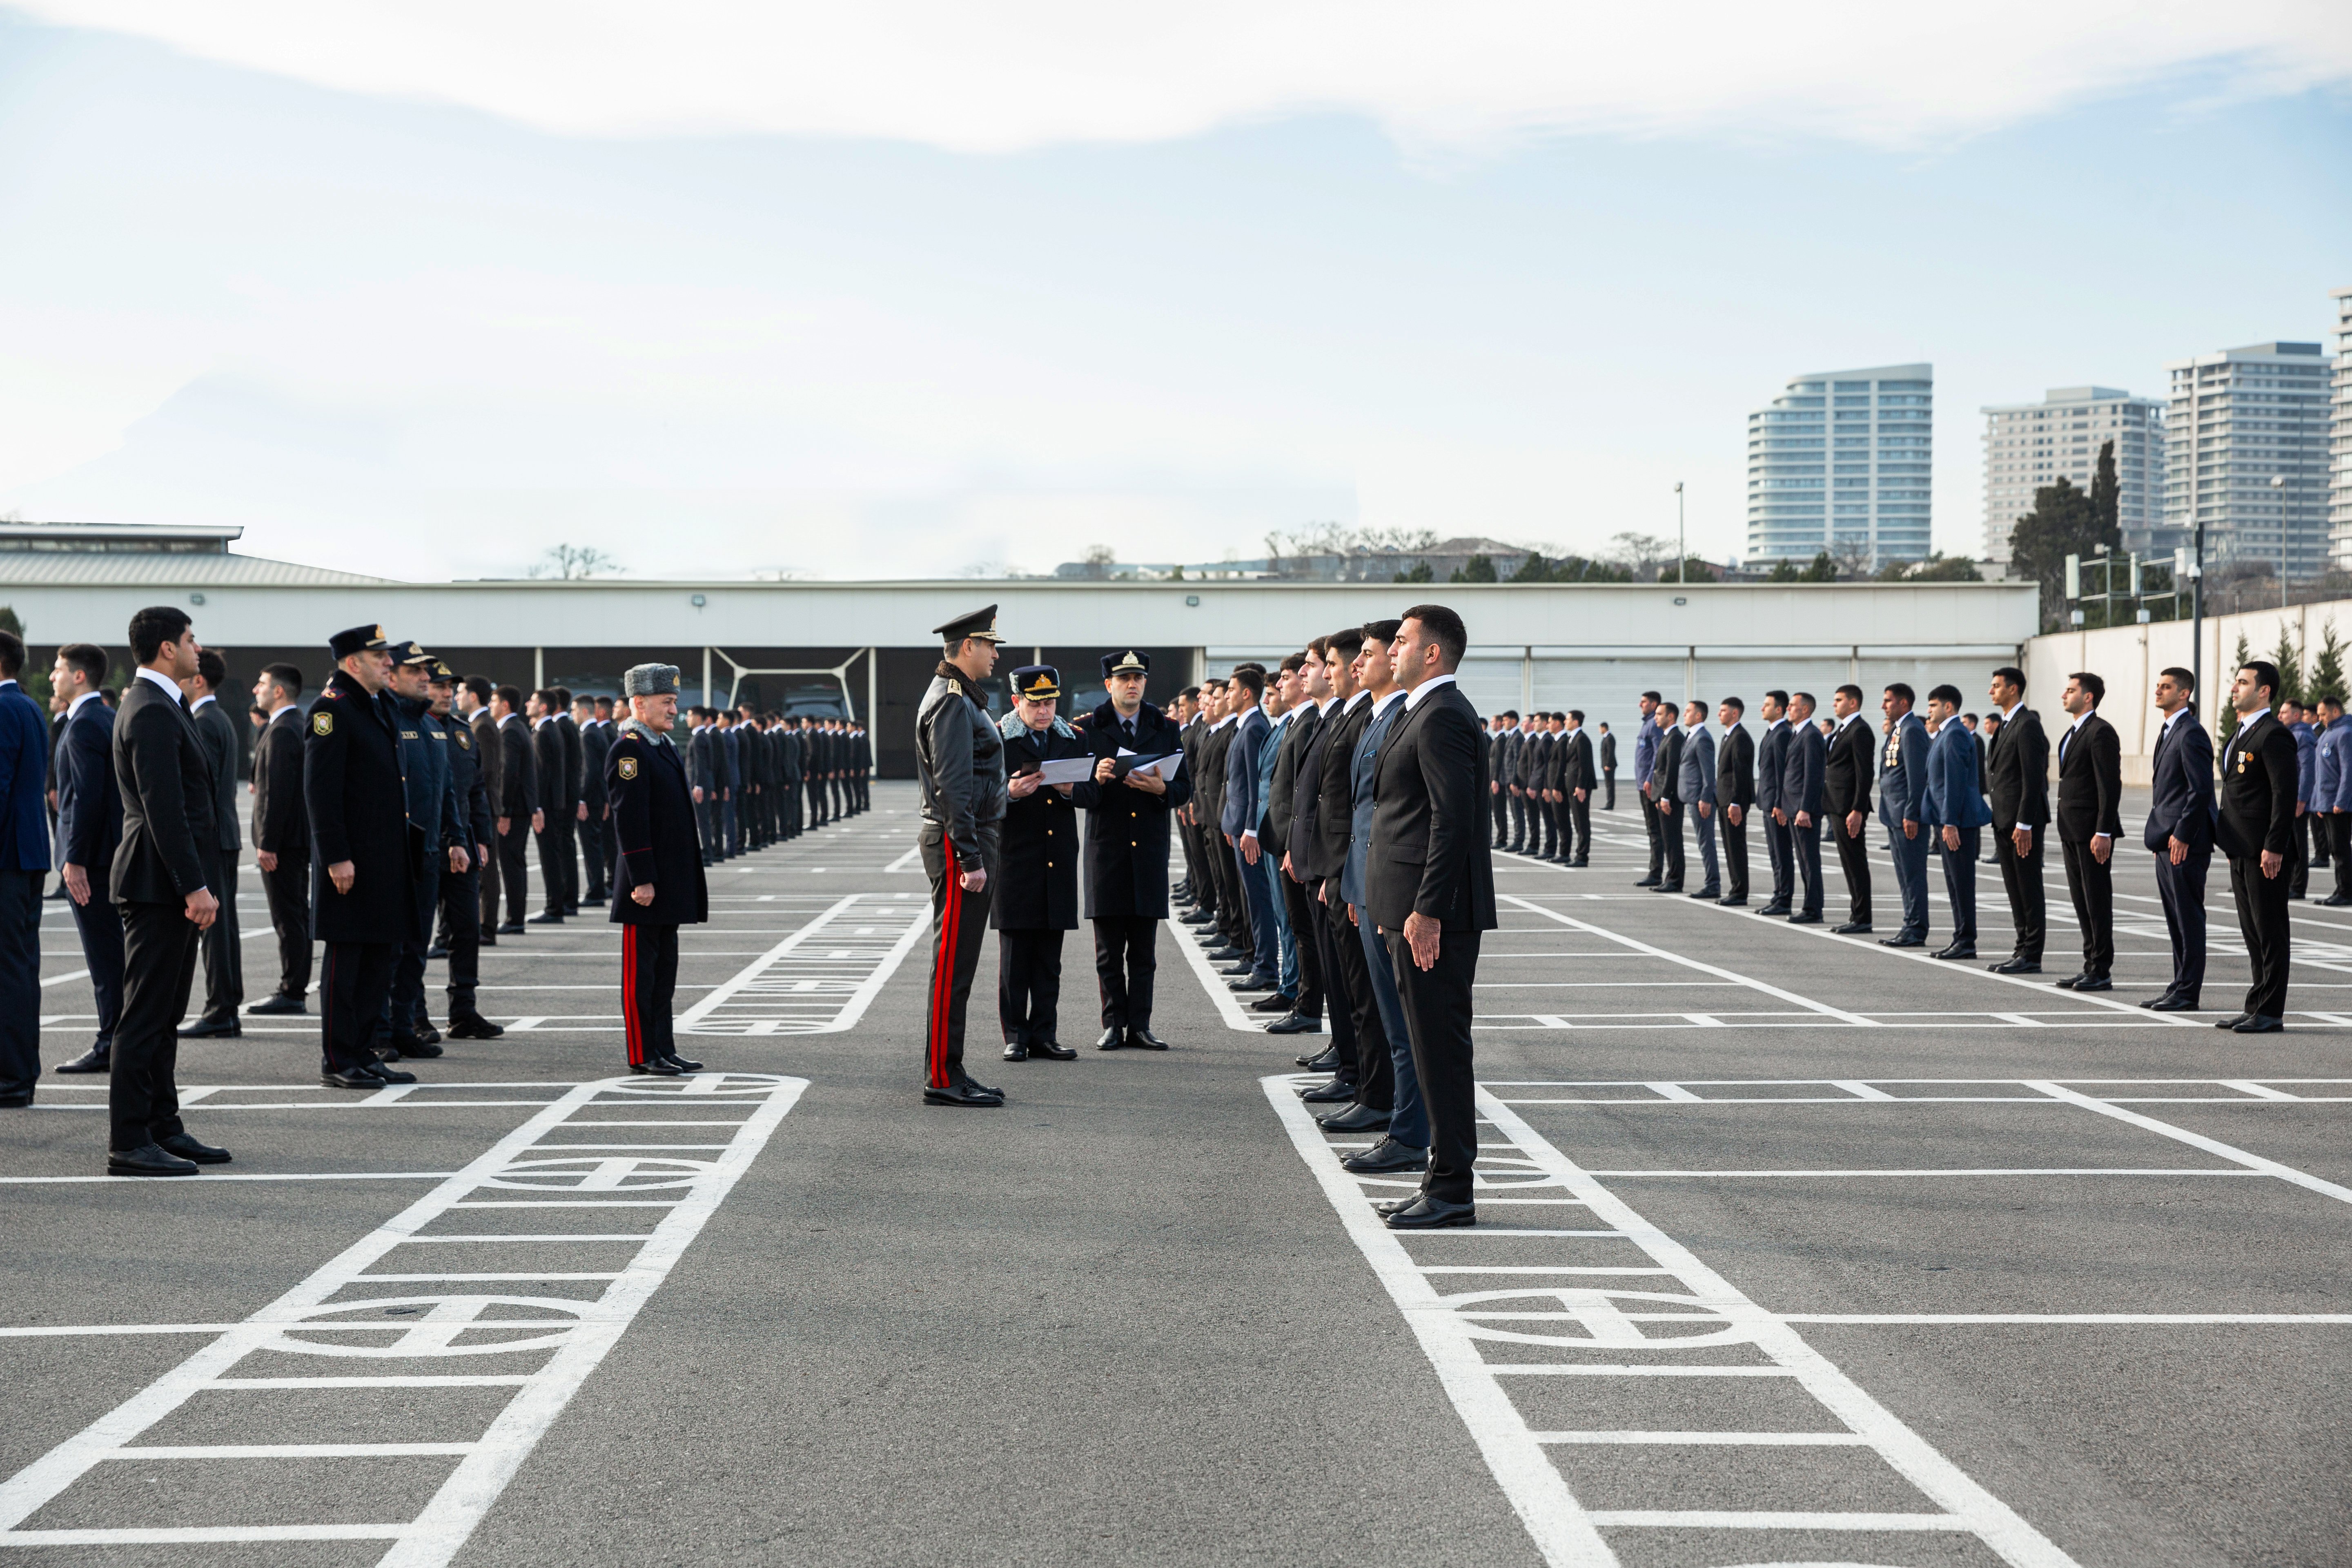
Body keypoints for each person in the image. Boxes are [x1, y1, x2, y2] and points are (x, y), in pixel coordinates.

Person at [1368, 606, 1496, 1231]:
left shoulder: (1443, 715)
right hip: (1406, 906)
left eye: (1402, 641)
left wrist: (1428, 910)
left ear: (1434, 653)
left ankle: (1451, 1190)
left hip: (1430, 915)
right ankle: (1440, 1182)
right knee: (1427, 1050)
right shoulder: (1421, 709)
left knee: (1441, 1053)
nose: (1393, 649)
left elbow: (1453, 820)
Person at [105, 607, 229, 1171]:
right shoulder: (151, 708)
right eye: (189, 639)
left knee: (166, 1012)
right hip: (158, 885)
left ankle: (162, 1125)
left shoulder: (165, 704)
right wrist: (194, 886)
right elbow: (165, 811)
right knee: (144, 1016)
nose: (197, 648)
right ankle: (129, 1141)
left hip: (168, 885)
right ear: (165, 649)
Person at [307, 625, 421, 1091]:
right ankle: (339, 1057)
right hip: (350, 862)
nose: (389, 663)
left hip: (383, 859)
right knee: (348, 960)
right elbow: (321, 790)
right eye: (379, 658)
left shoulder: (375, 706)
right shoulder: (331, 710)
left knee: (378, 958)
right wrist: (336, 857)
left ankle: (365, 1052)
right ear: (353, 663)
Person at [1074, 650, 1189, 1052]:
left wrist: (1162, 790)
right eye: (1124, 678)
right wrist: (1097, 777)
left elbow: (1183, 787)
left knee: (1144, 951)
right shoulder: (1089, 729)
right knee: (1108, 951)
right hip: (1107, 850)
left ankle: (1140, 1024)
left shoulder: (1165, 727)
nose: (1132, 684)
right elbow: (1076, 792)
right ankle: (1113, 1024)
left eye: (1138, 677)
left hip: (1149, 851)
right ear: (1109, 684)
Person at [917, 605, 1009, 1106]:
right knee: (953, 964)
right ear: (968, 647)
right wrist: (970, 857)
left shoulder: (962, 697)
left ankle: (950, 1066)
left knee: (960, 965)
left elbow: (970, 778)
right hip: (960, 844)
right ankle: (941, 1075)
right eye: (991, 645)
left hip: (968, 835)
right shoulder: (953, 701)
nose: (996, 655)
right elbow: (952, 786)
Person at [607, 663, 708, 1076]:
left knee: (664, 974)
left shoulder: (660, 744)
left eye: (674, 702)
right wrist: (642, 877)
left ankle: (664, 1048)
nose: (674, 710)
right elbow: (629, 818)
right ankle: (642, 1052)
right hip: (646, 884)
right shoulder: (630, 748)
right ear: (639, 703)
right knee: (641, 976)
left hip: (669, 880)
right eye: (666, 702)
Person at [1295, 629, 1372, 1106]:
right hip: (1323, 862)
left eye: (1326, 663)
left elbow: (1352, 805)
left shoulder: (1361, 716)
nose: (1317, 672)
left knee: (1358, 990)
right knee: (1345, 983)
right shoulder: (1341, 716)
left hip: (1344, 868)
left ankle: (1362, 1078)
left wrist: (1339, 871)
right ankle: (1352, 1066)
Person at [993, 666, 1085, 1061]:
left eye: (1050, 703)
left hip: (1058, 858)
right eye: (1036, 703)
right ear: (1017, 702)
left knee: (1050, 958)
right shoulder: (999, 740)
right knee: (1015, 958)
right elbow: (980, 792)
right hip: (1017, 858)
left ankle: (1045, 1032)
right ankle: (1015, 1034)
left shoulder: (1071, 738)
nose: (1045, 711)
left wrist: (1071, 791)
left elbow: (1093, 792)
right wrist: (1009, 792)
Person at [379, 643, 465, 1058]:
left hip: (429, 852)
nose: (426, 678)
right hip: (395, 853)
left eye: (427, 672)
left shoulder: (432, 727)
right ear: (391, 676)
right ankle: (378, 1033)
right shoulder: (385, 719)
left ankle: (402, 1027)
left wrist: (458, 839)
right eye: (416, 672)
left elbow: (447, 790)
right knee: (389, 948)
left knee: (416, 946)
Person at [49, 644, 125, 1075]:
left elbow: (87, 799)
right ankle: (119, 1038)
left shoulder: (82, 725)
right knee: (115, 955)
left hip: (93, 862)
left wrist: (74, 860)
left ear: (80, 676)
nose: (55, 676)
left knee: (105, 958)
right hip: (107, 855)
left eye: (60, 670)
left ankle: (110, 1041)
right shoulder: (106, 717)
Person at [2218, 661, 2297, 1032]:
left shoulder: (2273, 734)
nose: (2235, 688)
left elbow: (2285, 794)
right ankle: (2256, 1005)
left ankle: (2271, 1011)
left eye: (2243, 682)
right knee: (2253, 932)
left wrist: (2274, 846)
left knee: (2271, 931)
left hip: (2265, 851)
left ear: (2264, 690)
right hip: (2240, 846)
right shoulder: (2241, 732)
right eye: (2236, 682)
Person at [429, 664, 501, 1039]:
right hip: (424, 847)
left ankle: (463, 1010)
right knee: (413, 938)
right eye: (439, 687)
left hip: (463, 848)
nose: (447, 693)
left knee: (467, 930)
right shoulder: (408, 729)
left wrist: (483, 839)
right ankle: (413, 1016)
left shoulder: (461, 733)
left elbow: (477, 790)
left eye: (451, 688)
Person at [180, 648, 246, 1036]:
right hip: (224, 834)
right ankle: (227, 1006)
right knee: (224, 927)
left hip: (211, 837)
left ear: (199, 680)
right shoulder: (216, 717)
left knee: (215, 929)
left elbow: (199, 790)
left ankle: (221, 1009)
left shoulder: (203, 722)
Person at [1263, 644, 1327, 1033]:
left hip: (1297, 846)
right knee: (1299, 929)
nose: (1297, 677)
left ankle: (1307, 1006)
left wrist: (1293, 845)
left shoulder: (1307, 724)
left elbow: (1308, 794)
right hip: (1287, 841)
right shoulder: (1298, 723)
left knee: (1305, 932)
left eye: (1308, 668)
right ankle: (1304, 1003)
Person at [2141, 666, 2213, 1009]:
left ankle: (2188, 992)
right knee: (2175, 918)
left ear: (2184, 693)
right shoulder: (2170, 730)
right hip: (2166, 843)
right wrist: (2161, 839)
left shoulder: (2191, 733)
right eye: (2158, 686)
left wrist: (2182, 835)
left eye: (2166, 687)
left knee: (2188, 918)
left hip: (2185, 843)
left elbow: (2199, 791)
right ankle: (2178, 985)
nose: (2158, 691)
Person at [0, 629, 51, 1109]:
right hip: (27, 853)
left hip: (8, 857)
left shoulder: (2, 708)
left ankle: (12, 1077)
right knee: (20, 966)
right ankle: (19, 1072)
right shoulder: (29, 706)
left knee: (9, 970)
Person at [2053, 671, 2123, 990]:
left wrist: (2104, 831)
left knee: (2096, 900)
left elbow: (2109, 786)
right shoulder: (2072, 733)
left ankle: (2101, 969)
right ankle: (2089, 963)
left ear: (2088, 697)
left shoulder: (2100, 732)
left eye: (2070, 691)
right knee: (2081, 900)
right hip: (2071, 828)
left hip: (2091, 831)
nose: (2064, 696)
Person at [249, 662, 312, 1009]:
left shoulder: (285, 729)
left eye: (261, 683)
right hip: (290, 840)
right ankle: (295, 986)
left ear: (279, 691)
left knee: (289, 918)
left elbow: (278, 793)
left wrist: (268, 843)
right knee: (295, 915)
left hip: (284, 843)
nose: (255, 690)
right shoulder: (287, 725)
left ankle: (292, 991)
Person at [1984, 666, 2049, 974]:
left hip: (2022, 822)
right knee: (2014, 887)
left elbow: (2033, 778)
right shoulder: (2006, 724)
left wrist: (2024, 823)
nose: (1991, 691)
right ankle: (2021, 947)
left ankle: (2032, 954)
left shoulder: (2027, 725)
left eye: (1996, 686)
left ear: (2013, 689)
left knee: (2028, 887)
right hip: (2004, 819)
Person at [1920, 684, 1991, 961]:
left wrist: (1949, 822)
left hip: (1957, 823)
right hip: (1947, 820)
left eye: (1933, 706)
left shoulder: (1955, 734)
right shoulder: (1945, 734)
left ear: (1948, 707)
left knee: (1961, 884)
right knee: (1953, 883)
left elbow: (1955, 782)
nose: (1929, 711)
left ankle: (1966, 940)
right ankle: (1960, 938)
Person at [1221, 665, 1280, 992]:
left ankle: (1266, 967)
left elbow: (1257, 784)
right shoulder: (1246, 726)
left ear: (1247, 693)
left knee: (1259, 901)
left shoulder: (1255, 727)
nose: (1227, 696)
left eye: (1231, 690)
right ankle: (1259, 960)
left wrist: (1250, 829)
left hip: (1249, 833)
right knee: (1251, 900)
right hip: (1240, 828)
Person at [1875, 682, 1931, 948]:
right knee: (1904, 874)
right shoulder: (1900, 729)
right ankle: (1910, 923)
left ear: (1904, 703)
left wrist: (1912, 812)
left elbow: (1917, 777)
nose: (1883, 706)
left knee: (1913, 874)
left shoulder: (1912, 730)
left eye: (1888, 701)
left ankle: (1916, 928)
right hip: (1894, 813)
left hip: (1907, 816)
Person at [1822, 684, 1874, 933]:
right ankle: (1857, 915)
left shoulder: (1860, 730)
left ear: (1853, 703)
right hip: (1836, 805)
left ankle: (1862, 918)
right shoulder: (1842, 730)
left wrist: (1858, 809)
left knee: (1855, 863)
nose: (1835, 704)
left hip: (1848, 808)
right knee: (1848, 863)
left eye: (1839, 700)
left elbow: (1865, 774)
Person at [492, 685, 537, 934]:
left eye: (494, 701)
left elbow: (509, 775)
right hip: (520, 808)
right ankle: (516, 917)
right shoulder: (517, 727)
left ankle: (515, 919)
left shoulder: (510, 731)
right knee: (515, 863)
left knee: (511, 864)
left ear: (505, 705)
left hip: (514, 809)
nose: (491, 705)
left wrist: (505, 812)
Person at [1780, 691, 1825, 923]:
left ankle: (1813, 908)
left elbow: (1813, 775)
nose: (1789, 709)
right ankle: (1809, 905)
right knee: (1804, 860)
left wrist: (1805, 808)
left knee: (1810, 860)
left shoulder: (1811, 735)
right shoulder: (1798, 733)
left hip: (1803, 809)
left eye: (1792, 706)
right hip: (1793, 806)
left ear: (1805, 709)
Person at [528, 689, 573, 923]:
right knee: (553, 857)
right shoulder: (549, 729)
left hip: (547, 806)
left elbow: (542, 775)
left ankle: (554, 908)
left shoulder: (545, 732)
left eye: (533, 701)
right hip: (554, 804)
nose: (528, 704)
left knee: (549, 858)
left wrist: (537, 808)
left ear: (543, 707)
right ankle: (557, 905)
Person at [1714, 697, 1753, 906]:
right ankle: (1735, 888)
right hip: (1725, 800)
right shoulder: (1729, 736)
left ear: (1735, 713)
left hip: (1733, 802)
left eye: (1723, 710)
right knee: (1729, 847)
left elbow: (1741, 772)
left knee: (1736, 847)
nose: (1719, 714)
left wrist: (1736, 802)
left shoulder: (1740, 738)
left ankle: (1740, 892)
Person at [576, 693, 612, 902]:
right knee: (595, 845)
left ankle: (595, 891)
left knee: (591, 847)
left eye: (574, 711)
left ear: (584, 711)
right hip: (598, 798)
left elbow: (590, 771)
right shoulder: (597, 732)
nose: (573, 715)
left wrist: (582, 798)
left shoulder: (588, 734)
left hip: (590, 800)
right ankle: (598, 888)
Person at [2318, 695, 2352, 906]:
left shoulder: (2345, 734)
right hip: (2328, 802)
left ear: (2335, 712)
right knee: (2335, 848)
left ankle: (2346, 891)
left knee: (2340, 849)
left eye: (2323, 714)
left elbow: (2349, 771)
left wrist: (2341, 800)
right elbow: (2321, 772)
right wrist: (2319, 803)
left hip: (2339, 804)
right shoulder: (2328, 734)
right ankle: (2342, 888)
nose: (2320, 718)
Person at [2285, 698, 2316, 900]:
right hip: (2289, 798)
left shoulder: (2302, 737)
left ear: (2296, 715)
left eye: (2285, 712)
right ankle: (2291, 884)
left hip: (2297, 800)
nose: (2280, 715)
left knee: (2298, 844)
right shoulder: (2292, 735)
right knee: (2291, 844)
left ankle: (2298, 886)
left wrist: (2301, 799)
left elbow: (2307, 770)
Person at [1632, 694, 1663, 884]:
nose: (1640, 704)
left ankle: (1656, 872)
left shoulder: (1654, 725)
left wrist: (1650, 779)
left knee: (1655, 830)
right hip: (1643, 785)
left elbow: (1658, 754)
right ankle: (1655, 870)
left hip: (1649, 786)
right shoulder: (1647, 724)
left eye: (1643, 702)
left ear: (1654, 704)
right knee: (1652, 830)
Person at [1561, 710, 1593, 866]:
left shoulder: (1582, 739)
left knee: (1582, 822)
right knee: (1577, 821)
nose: (1565, 722)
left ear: (1576, 722)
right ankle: (1579, 854)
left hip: (1579, 788)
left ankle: (1582, 856)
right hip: (1572, 786)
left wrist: (1581, 786)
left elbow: (1584, 765)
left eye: (1567, 720)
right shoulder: (1572, 738)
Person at [1597, 721, 1616, 810]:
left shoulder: (1610, 738)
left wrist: (1607, 765)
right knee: (1608, 785)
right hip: (1606, 766)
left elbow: (1610, 753)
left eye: (1600, 728)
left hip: (1609, 766)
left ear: (1604, 728)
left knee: (1610, 785)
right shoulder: (1606, 738)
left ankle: (1610, 804)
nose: (1599, 730)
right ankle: (1609, 803)